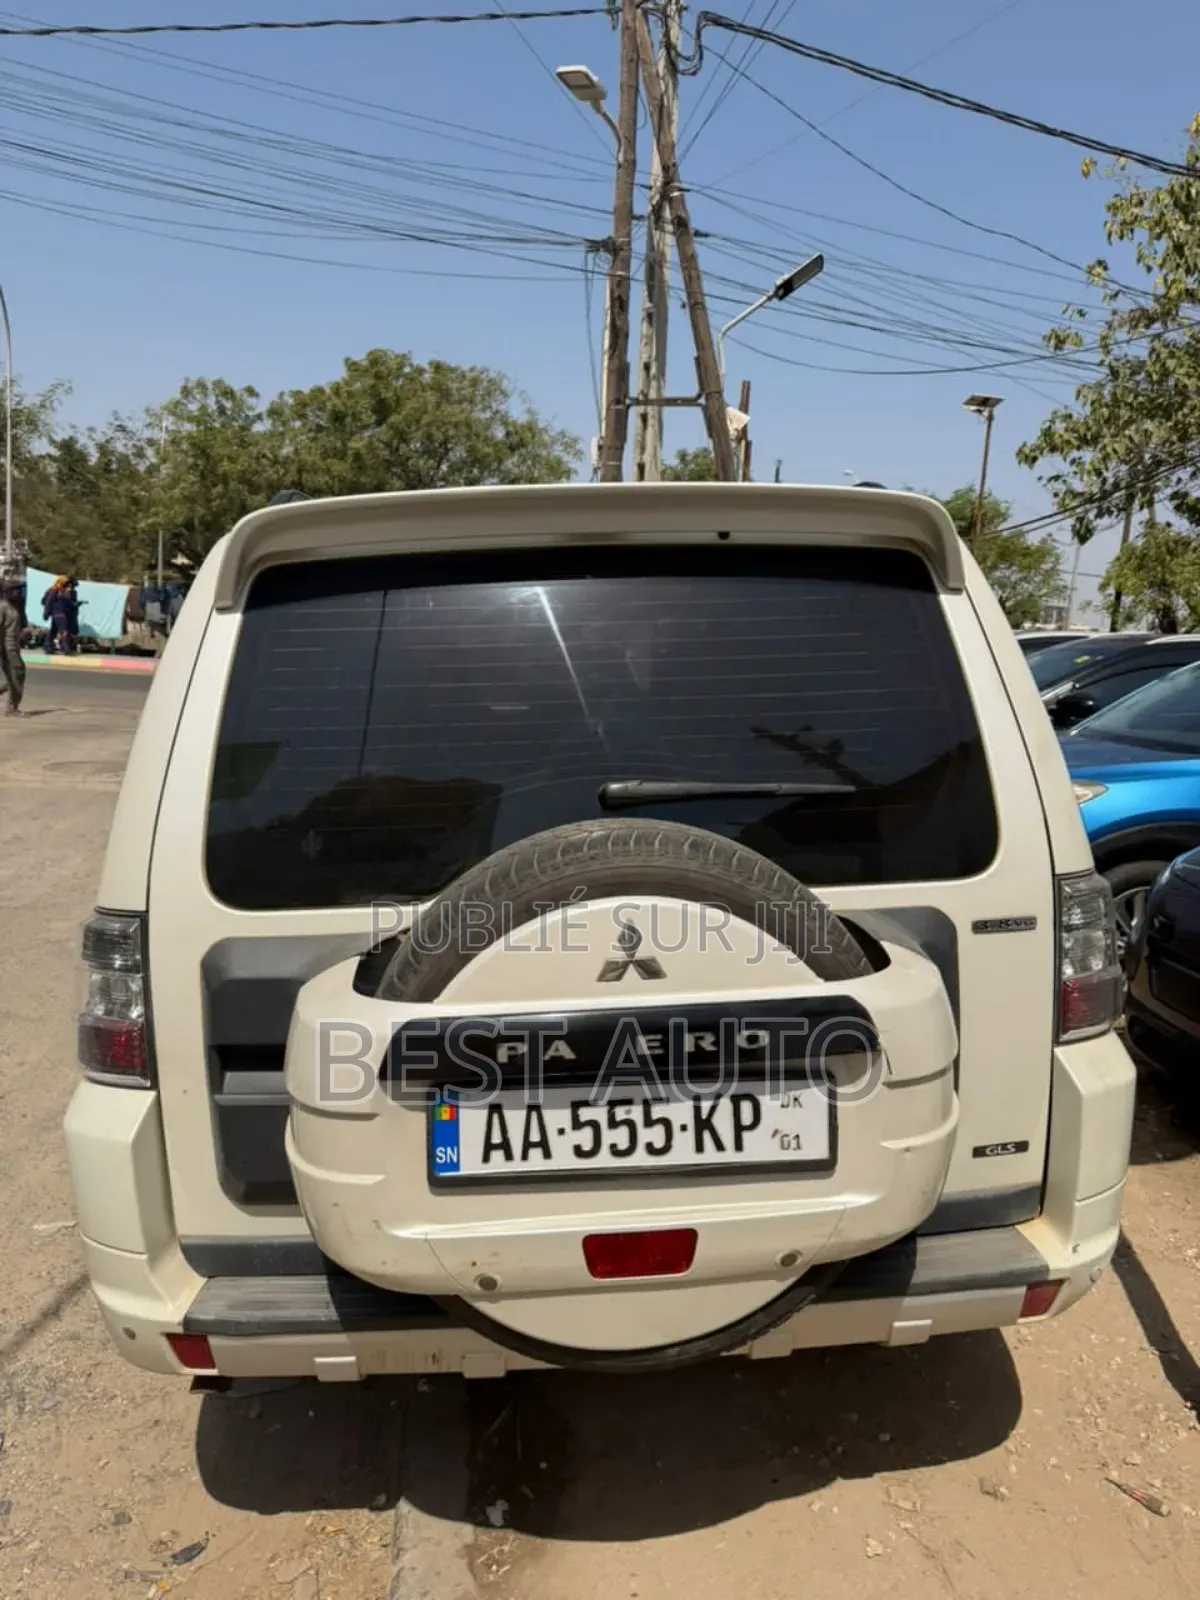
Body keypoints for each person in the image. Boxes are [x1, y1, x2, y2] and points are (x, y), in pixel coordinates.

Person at [1, 579, 25, 716]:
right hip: (7, 649)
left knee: (16, 675)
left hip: (14, 647)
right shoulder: (3, 607)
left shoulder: (14, 606)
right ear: (7, 592)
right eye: (15, 590)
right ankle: (11, 708)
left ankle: (11, 702)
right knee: (17, 675)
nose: (18, 592)